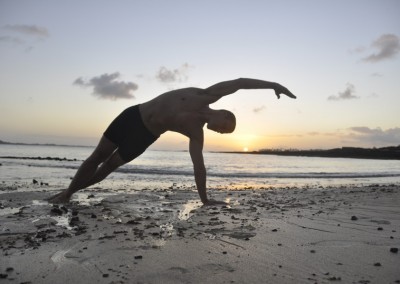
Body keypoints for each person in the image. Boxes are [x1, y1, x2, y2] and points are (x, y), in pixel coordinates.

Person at [47, 78, 296, 205]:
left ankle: (68, 193)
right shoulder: (205, 94)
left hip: (145, 136)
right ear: (224, 116)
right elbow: (240, 83)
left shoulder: (197, 132)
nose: (221, 133)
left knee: (107, 169)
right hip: (133, 116)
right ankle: (68, 193)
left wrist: (205, 199)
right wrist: (273, 85)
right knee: (96, 157)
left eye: (224, 134)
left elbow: (199, 167)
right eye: (224, 130)